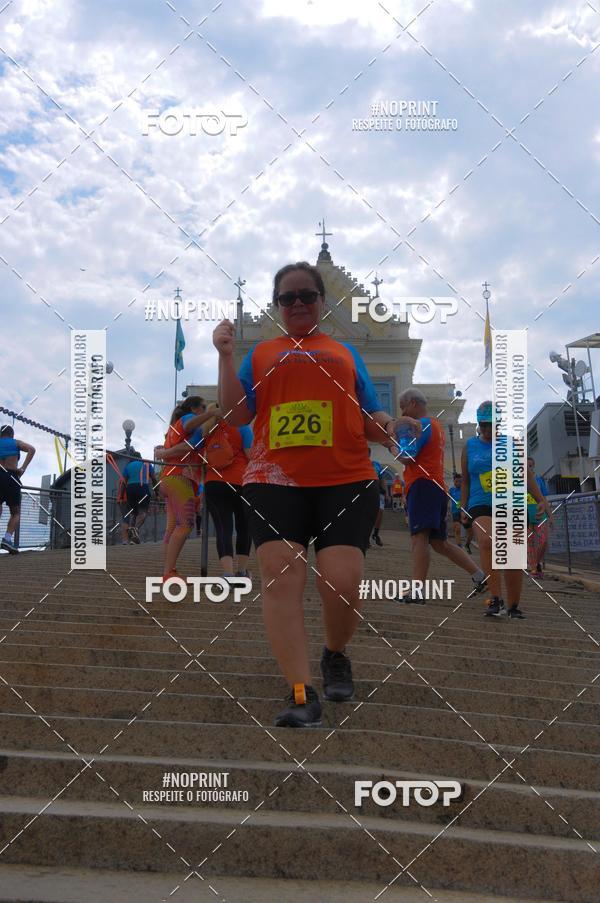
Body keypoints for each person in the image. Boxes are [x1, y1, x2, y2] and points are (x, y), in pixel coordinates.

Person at [213, 260, 422, 728]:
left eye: (307, 295)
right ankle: (301, 691)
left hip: (345, 479)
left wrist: (389, 426)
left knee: (342, 583)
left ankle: (334, 653)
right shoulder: (262, 353)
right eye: (288, 298)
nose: (299, 304)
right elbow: (236, 416)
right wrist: (226, 357)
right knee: (280, 578)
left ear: (323, 302)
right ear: (278, 306)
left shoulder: (345, 353)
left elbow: (368, 412)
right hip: (273, 480)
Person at [461, 402, 553, 619]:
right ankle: (495, 598)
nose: (486, 429)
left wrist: (541, 499)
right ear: (478, 424)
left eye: (491, 425)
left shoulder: (512, 444)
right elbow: (465, 480)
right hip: (480, 501)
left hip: (509, 500)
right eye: (483, 425)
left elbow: (527, 476)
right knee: (487, 541)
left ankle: (512, 606)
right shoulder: (470, 446)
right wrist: (462, 506)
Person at [397, 388, 487, 603]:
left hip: (422, 484)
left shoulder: (422, 425)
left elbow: (407, 456)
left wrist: (392, 445)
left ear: (412, 403)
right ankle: (480, 576)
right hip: (436, 487)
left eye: (403, 408)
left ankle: (417, 591)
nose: (402, 413)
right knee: (440, 543)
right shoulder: (435, 426)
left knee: (419, 538)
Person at [165, 403, 254, 581]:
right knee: (244, 527)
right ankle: (242, 572)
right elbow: (251, 455)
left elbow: (188, 447)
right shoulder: (243, 428)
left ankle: (228, 573)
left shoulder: (206, 430)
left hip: (215, 484)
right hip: (241, 482)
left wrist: (164, 453)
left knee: (223, 528)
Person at [154, 397, 213, 582]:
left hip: (168, 479)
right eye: (203, 407)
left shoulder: (173, 428)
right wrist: (212, 414)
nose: (204, 410)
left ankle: (169, 570)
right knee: (186, 525)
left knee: (172, 527)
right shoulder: (187, 419)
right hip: (180, 478)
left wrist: (164, 453)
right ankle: (168, 572)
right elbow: (189, 443)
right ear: (194, 409)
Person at [0, 425, 35, 554]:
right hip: (11, 477)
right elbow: (32, 449)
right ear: (11, 434)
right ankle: (7, 539)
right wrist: (23, 468)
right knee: (15, 512)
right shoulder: (16, 443)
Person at [119, 452, 157, 544]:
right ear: (140, 457)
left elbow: (124, 482)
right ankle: (135, 530)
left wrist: (121, 496)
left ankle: (132, 539)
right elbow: (154, 479)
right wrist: (156, 492)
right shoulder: (147, 464)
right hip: (142, 488)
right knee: (143, 512)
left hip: (130, 489)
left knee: (134, 513)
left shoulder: (128, 466)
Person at [527, 455, 550, 578]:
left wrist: (550, 516)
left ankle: (536, 563)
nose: (529, 467)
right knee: (529, 542)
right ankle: (534, 568)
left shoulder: (538, 480)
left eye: (530, 465)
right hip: (525, 513)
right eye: (526, 465)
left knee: (544, 541)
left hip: (540, 513)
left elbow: (544, 499)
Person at [370, 450, 387, 547]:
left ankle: (375, 534)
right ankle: (365, 536)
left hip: (378, 491)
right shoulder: (360, 463)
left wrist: (387, 493)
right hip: (367, 491)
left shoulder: (376, 464)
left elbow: (383, 479)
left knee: (380, 512)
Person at [448, 473, 464, 546]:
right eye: (456, 481)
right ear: (454, 481)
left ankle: (468, 543)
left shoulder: (465, 490)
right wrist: (446, 511)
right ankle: (459, 546)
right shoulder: (451, 490)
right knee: (457, 529)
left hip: (465, 512)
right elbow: (446, 500)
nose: (458, 483)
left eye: (460, 481)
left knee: (470, 530)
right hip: (455, 512)